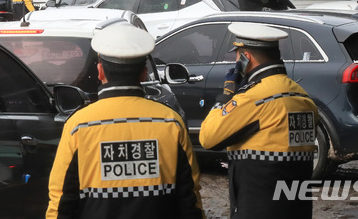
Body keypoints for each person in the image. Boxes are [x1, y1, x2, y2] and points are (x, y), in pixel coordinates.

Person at [46, 23, 204, 219]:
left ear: (100, 71)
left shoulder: (79, 125)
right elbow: (189, 197)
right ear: (144, 73)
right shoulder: (171, 123)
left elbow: (62, 198)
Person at [199, 22, 318, 219]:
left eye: (237, 55)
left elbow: (208, 137)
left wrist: (226, 96)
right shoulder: (302, 97)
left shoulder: (254, 98)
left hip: (259, 209)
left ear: (246, 58)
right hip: (298, 210)